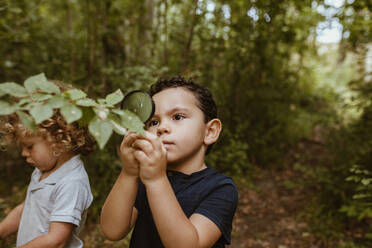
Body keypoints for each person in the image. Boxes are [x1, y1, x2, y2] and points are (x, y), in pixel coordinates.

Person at [101, 76, 238, 248]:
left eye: (178, 117)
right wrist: (128, 172)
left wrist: (156, 180)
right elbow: (112, 231)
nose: (161, 128)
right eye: (154, 122)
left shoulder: (220, 188)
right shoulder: (143, 181)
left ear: (210, 131)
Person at [0, 91, 95, 247]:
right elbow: (25, 209)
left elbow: (56, 240)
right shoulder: (42, 171)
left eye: (29, 146)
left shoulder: (72, 182)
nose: (24, 153)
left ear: (58, 139)